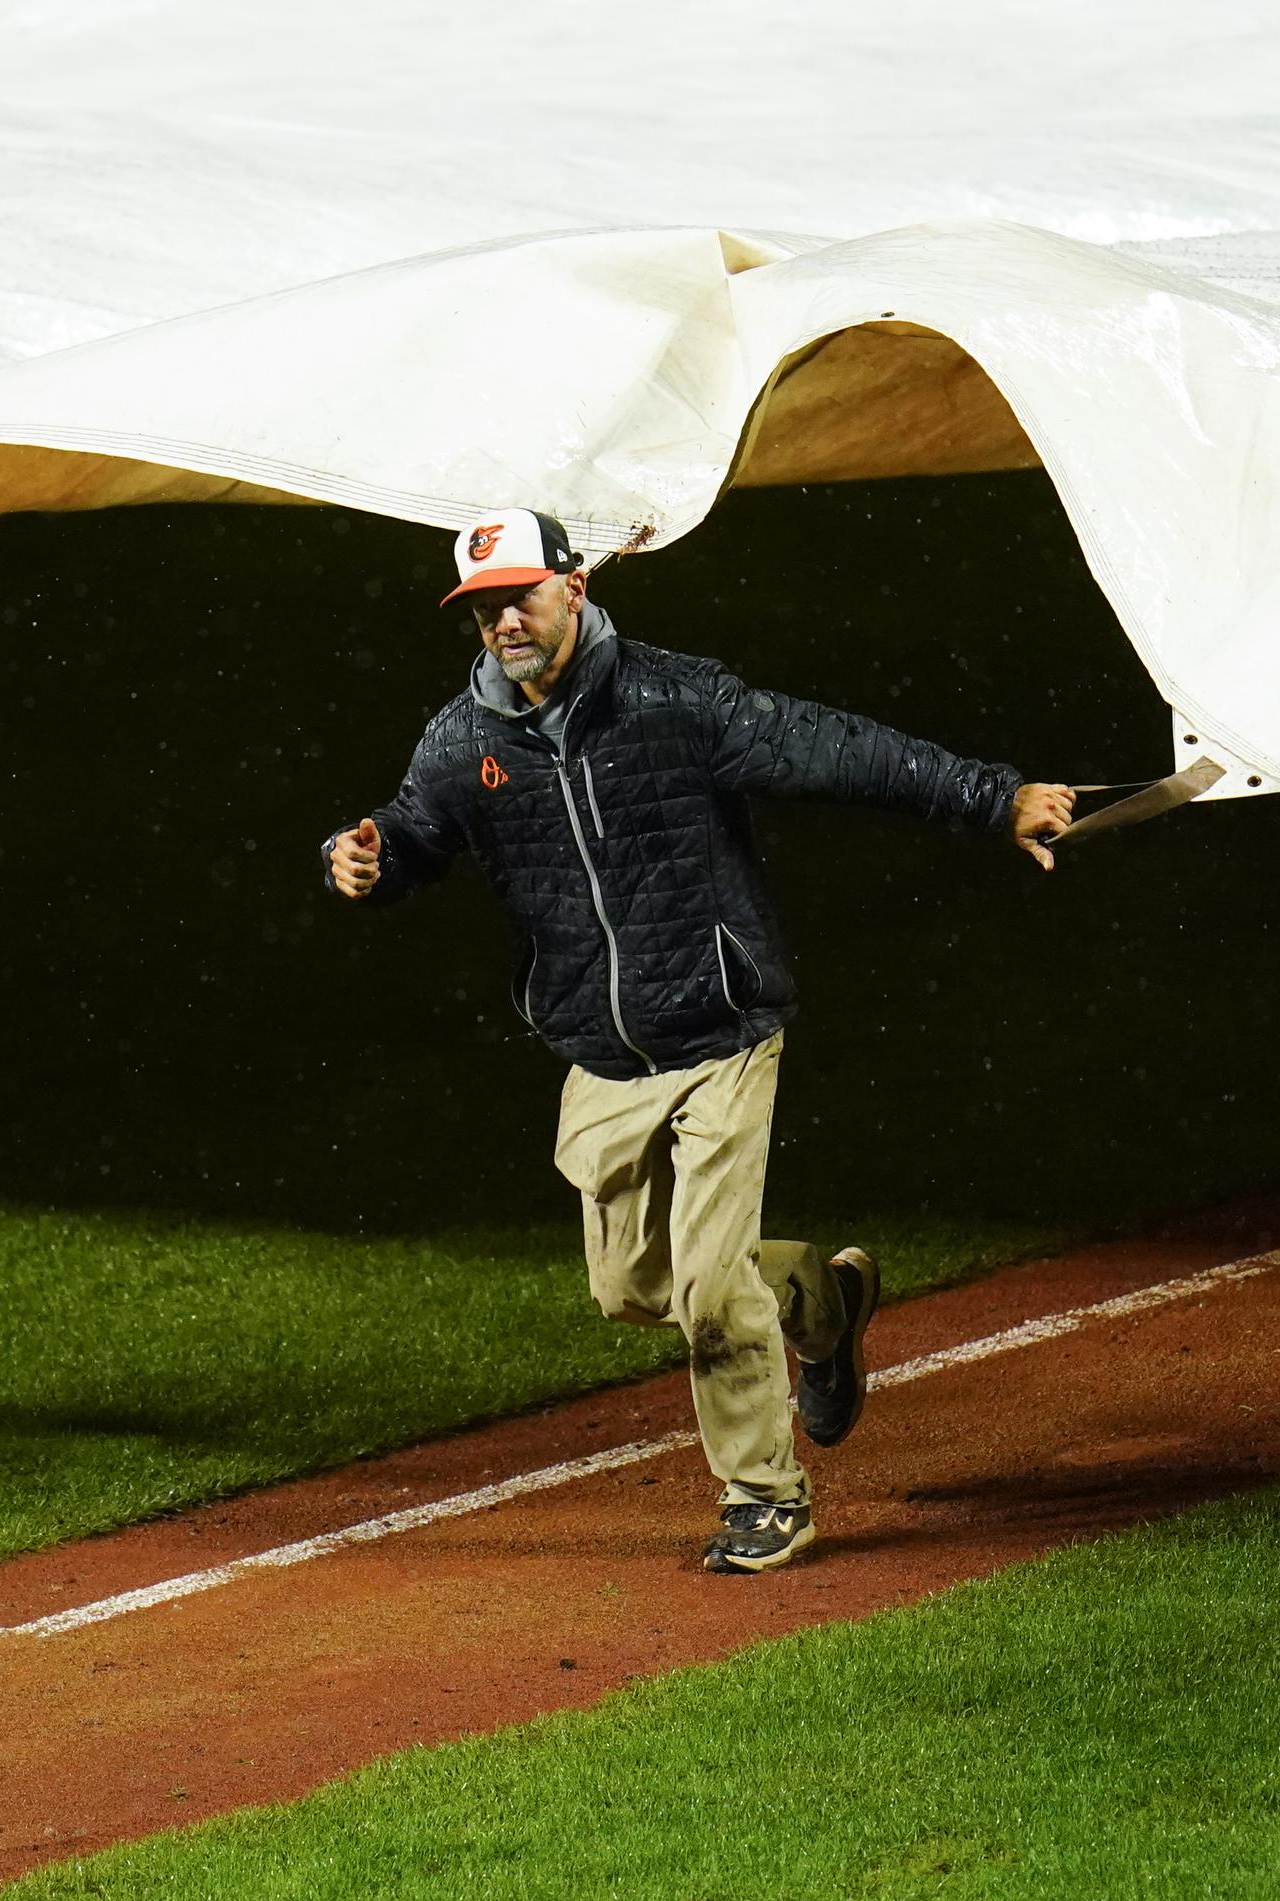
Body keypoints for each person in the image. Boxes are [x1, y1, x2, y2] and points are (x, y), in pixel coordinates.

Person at [323, 508, 1073, 1574]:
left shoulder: (676, 699)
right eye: (484, 608)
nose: (504, 624)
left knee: (713, 1292)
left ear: (574, 589)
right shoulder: (466, 739)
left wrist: (991, 798)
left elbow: (834, 746)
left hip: (721, 1030)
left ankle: (766, 1496)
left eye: (522, 597)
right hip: (600, 1054)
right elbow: (407, 828)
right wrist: (364, 860)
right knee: (633, 1288)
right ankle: (825, 1299)